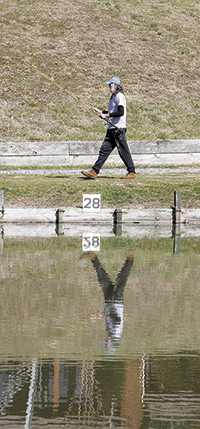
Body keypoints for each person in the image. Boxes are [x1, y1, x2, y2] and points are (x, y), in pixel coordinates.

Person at [81, 77, 137, 179]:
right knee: (104, 150)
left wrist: (106, 116)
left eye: (110, 84)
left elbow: (121, 112)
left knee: (123, 151)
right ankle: (94, 171)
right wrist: (101, 112)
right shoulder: (113, 97)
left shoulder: (119, 96)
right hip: (112, 128)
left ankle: (132, 172)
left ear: (115, 85)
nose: (108, 86)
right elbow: (112, 112)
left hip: (118, 129)